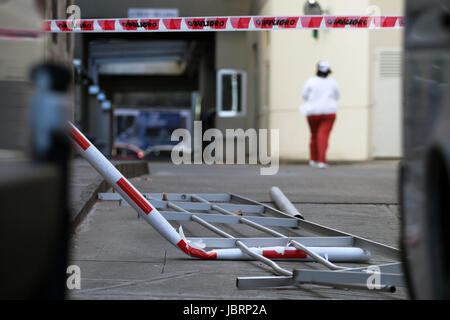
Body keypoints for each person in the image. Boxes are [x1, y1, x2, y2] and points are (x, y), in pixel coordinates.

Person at [300, 61, 340, 169]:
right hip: (329, 112)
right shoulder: (332, 82)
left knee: (314, 135)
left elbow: (304, 95)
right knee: (323, 135)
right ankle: (321, 160)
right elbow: (337, 95)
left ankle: (313, 159)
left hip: (313, 111)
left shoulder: (311, 81)